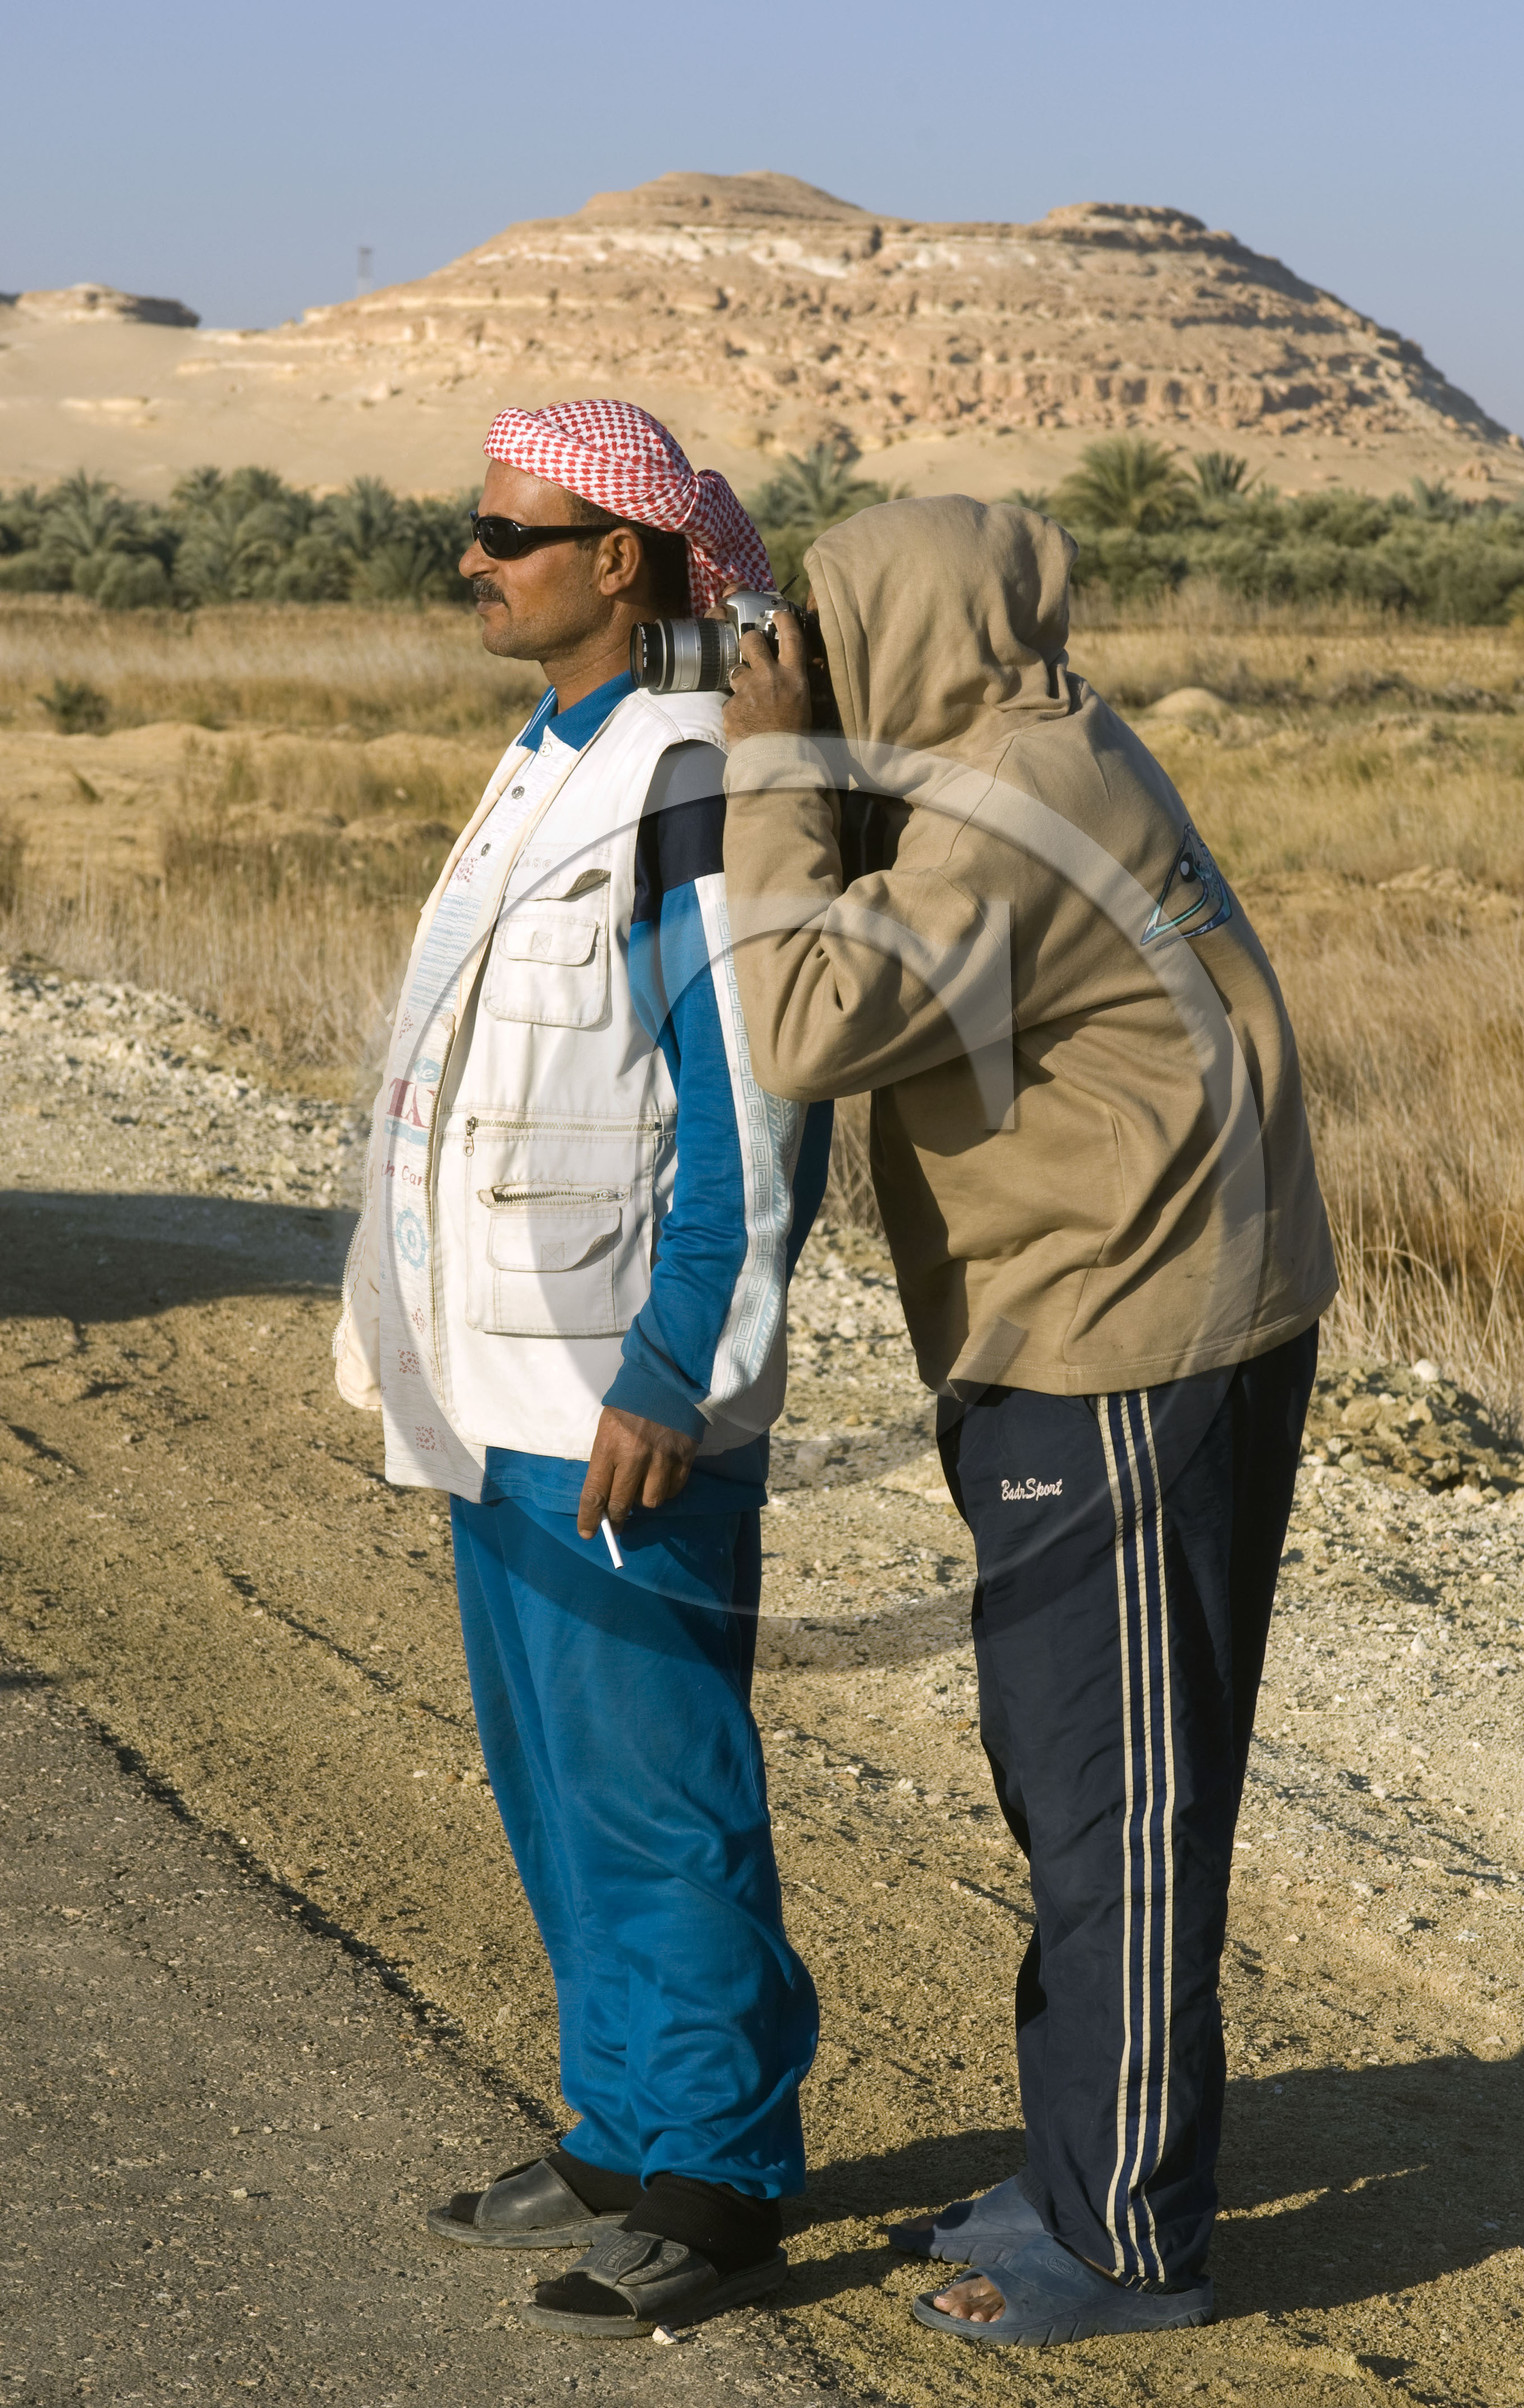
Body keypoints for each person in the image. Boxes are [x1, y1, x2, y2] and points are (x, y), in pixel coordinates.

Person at [717, 494, 1337, 2350]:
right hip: (1104, 1325)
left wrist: (770, 770)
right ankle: (1087, 2157)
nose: (802, 670)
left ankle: (1130, 2232)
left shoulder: (1022, 798)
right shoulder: (1021, 748)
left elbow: (801, 1017)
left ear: (896, 629)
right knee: (1082, 1768)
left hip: (1127, 1348)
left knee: (1115, 1799)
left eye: (821, 633)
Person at [333, 399, 830, 2341]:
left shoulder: (694, 772)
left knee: (655, 1786)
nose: (470, 556)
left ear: (615, 557)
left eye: (503, 531)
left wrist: (670, 1365)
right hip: (491, 1387)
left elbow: (750, 1101)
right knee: (551, 1778)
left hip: (618, 1381)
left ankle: (714, 2175)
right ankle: (623, 2129)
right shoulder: (546, 754)